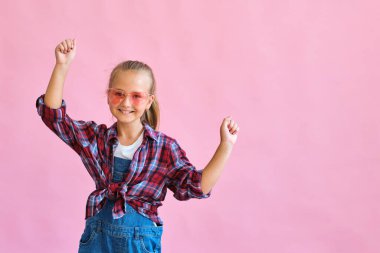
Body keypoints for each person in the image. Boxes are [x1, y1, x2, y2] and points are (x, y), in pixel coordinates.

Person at [36, 38, 240, 253]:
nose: (125, 103)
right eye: (119, 94)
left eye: (136, 96)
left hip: (138, 242)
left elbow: (196, 186)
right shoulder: (95, 138)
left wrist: (225, 146)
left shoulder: (164, 149)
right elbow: (53, 117)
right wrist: (62, 66)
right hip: (97, 240)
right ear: (108, 96)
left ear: (149, 101)